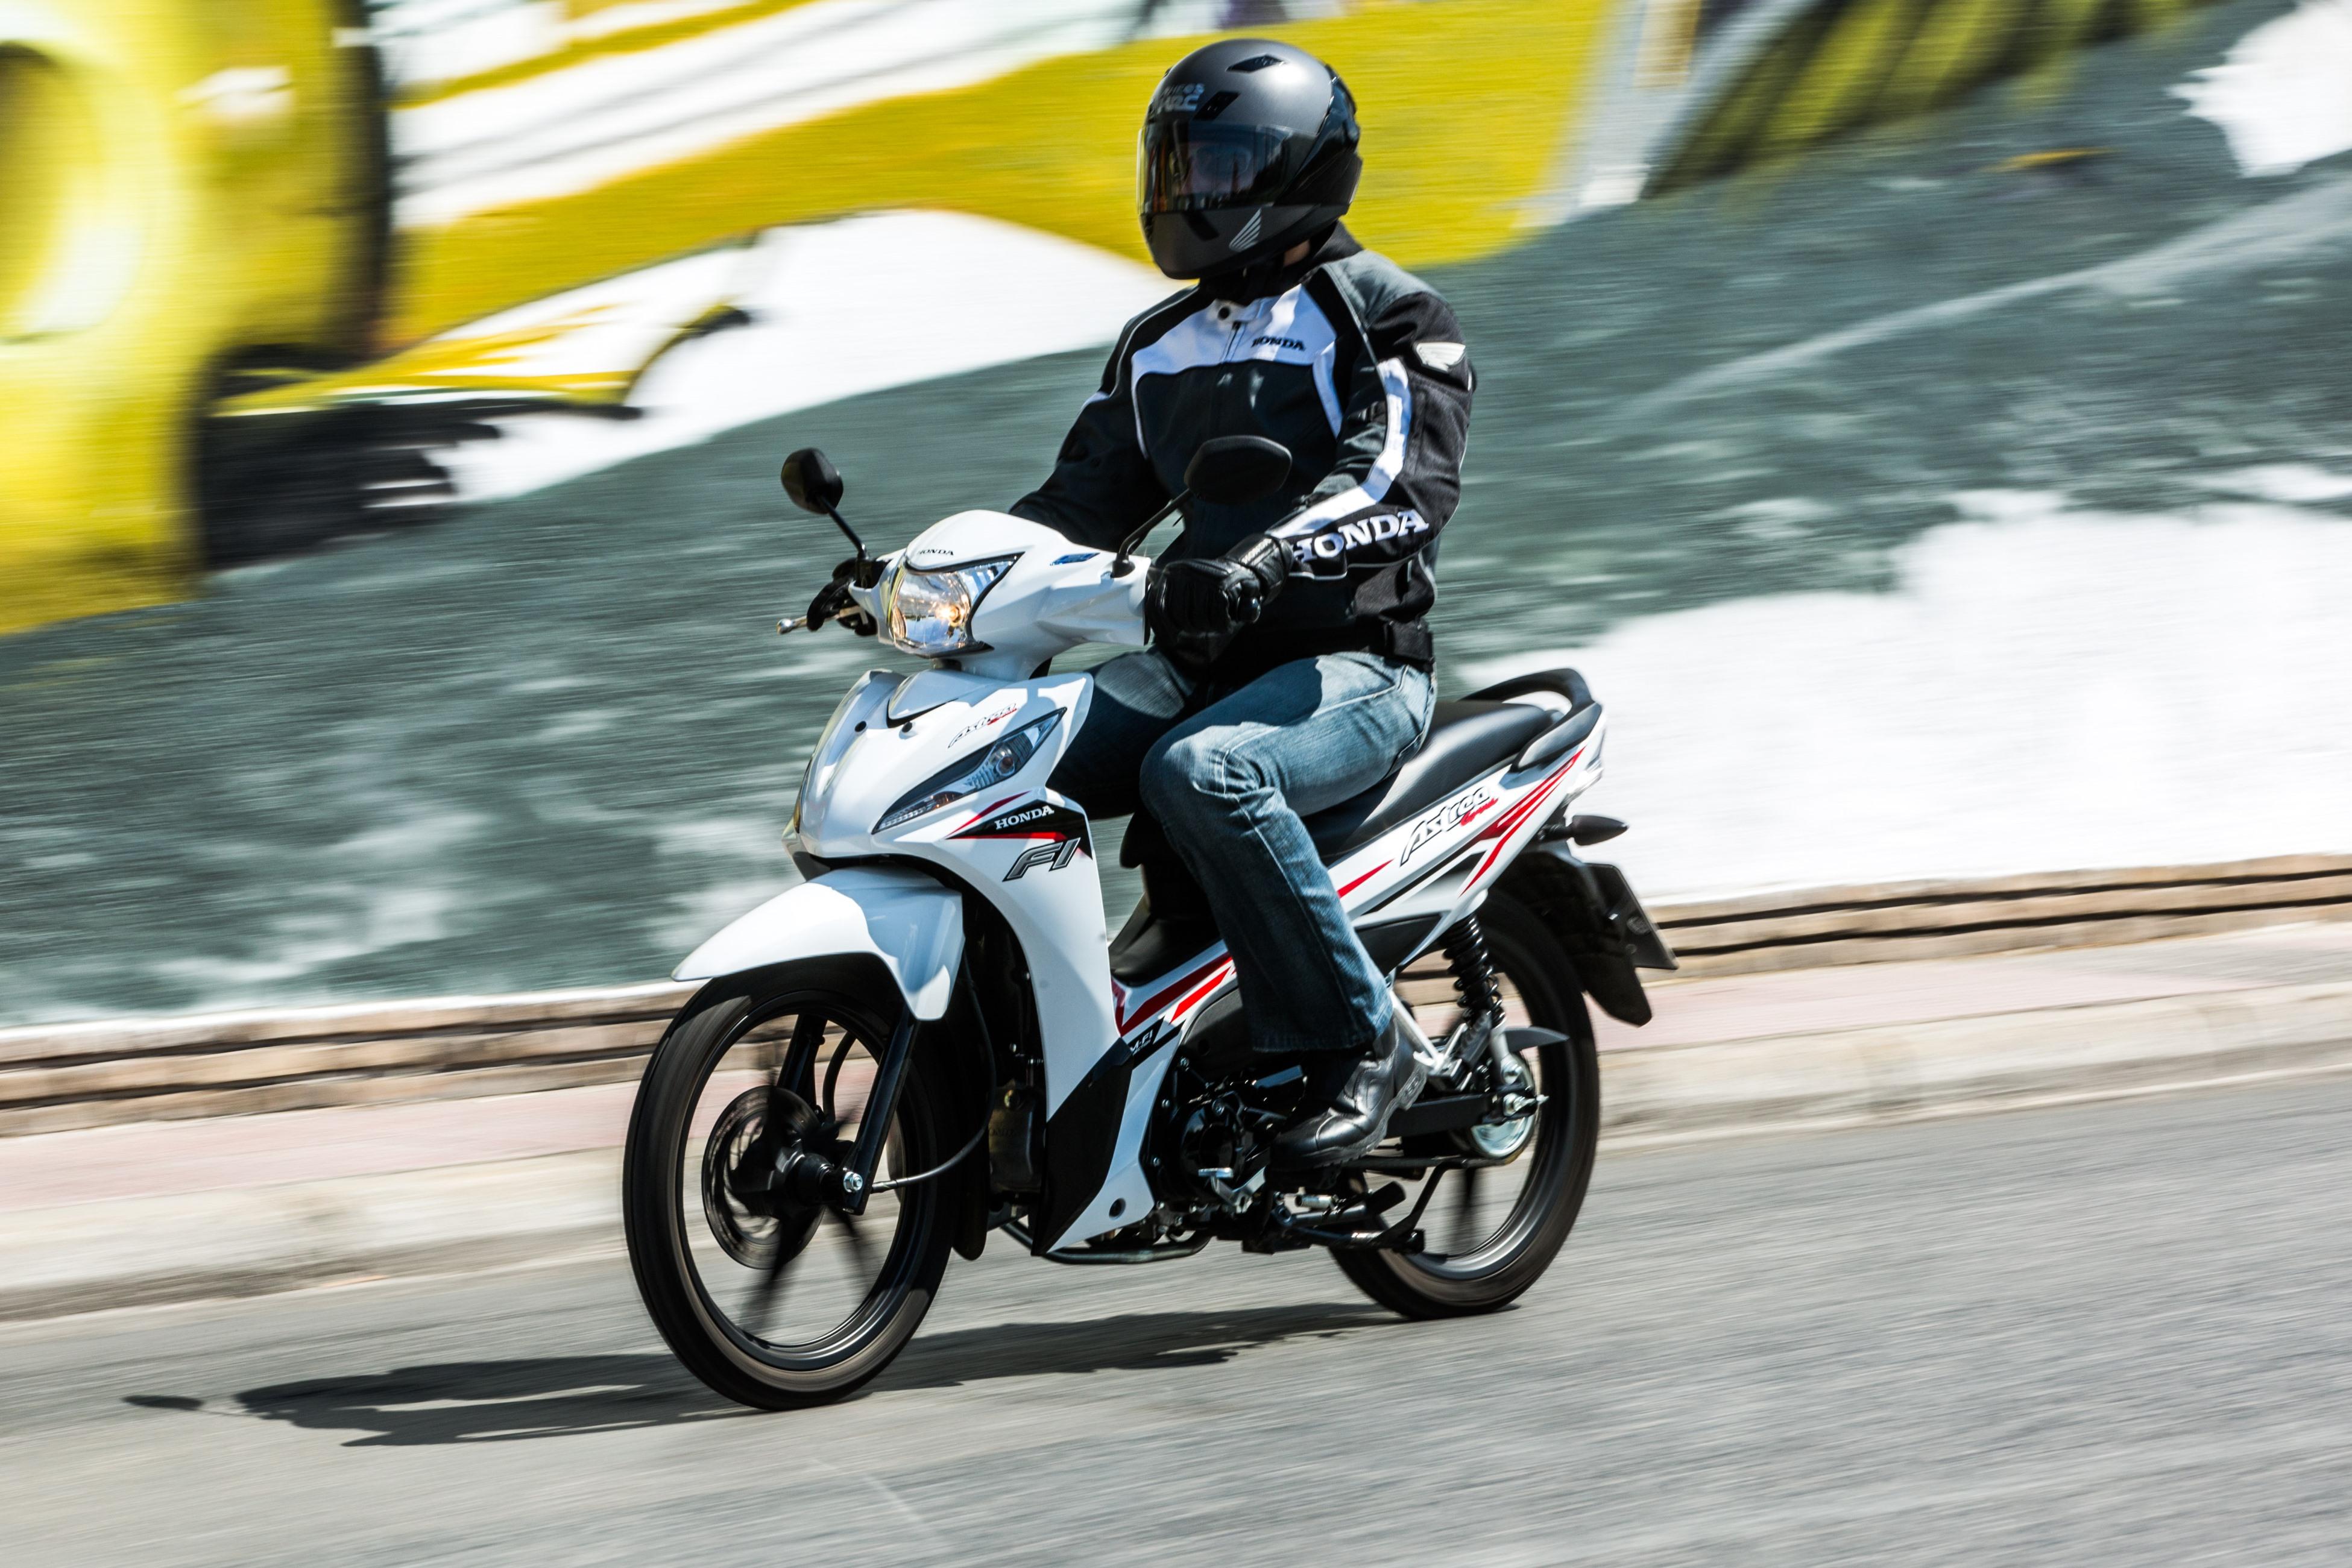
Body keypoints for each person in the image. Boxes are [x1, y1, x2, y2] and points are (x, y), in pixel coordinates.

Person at [1012, 37, 1476, 1167]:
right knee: (996, 756)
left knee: (1202, 772)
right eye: (1175, 166)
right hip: (1194, 661)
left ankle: (1363, 1044)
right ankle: (1030, 1051)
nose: (1187, 193)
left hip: (1354, 663)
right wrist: (937, 571)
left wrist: (1265, 560)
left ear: (1298, 173)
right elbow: (1072, 508)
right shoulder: (1158, 343)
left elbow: (1397, 483)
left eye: (1216, 167)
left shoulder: (1387, 313)